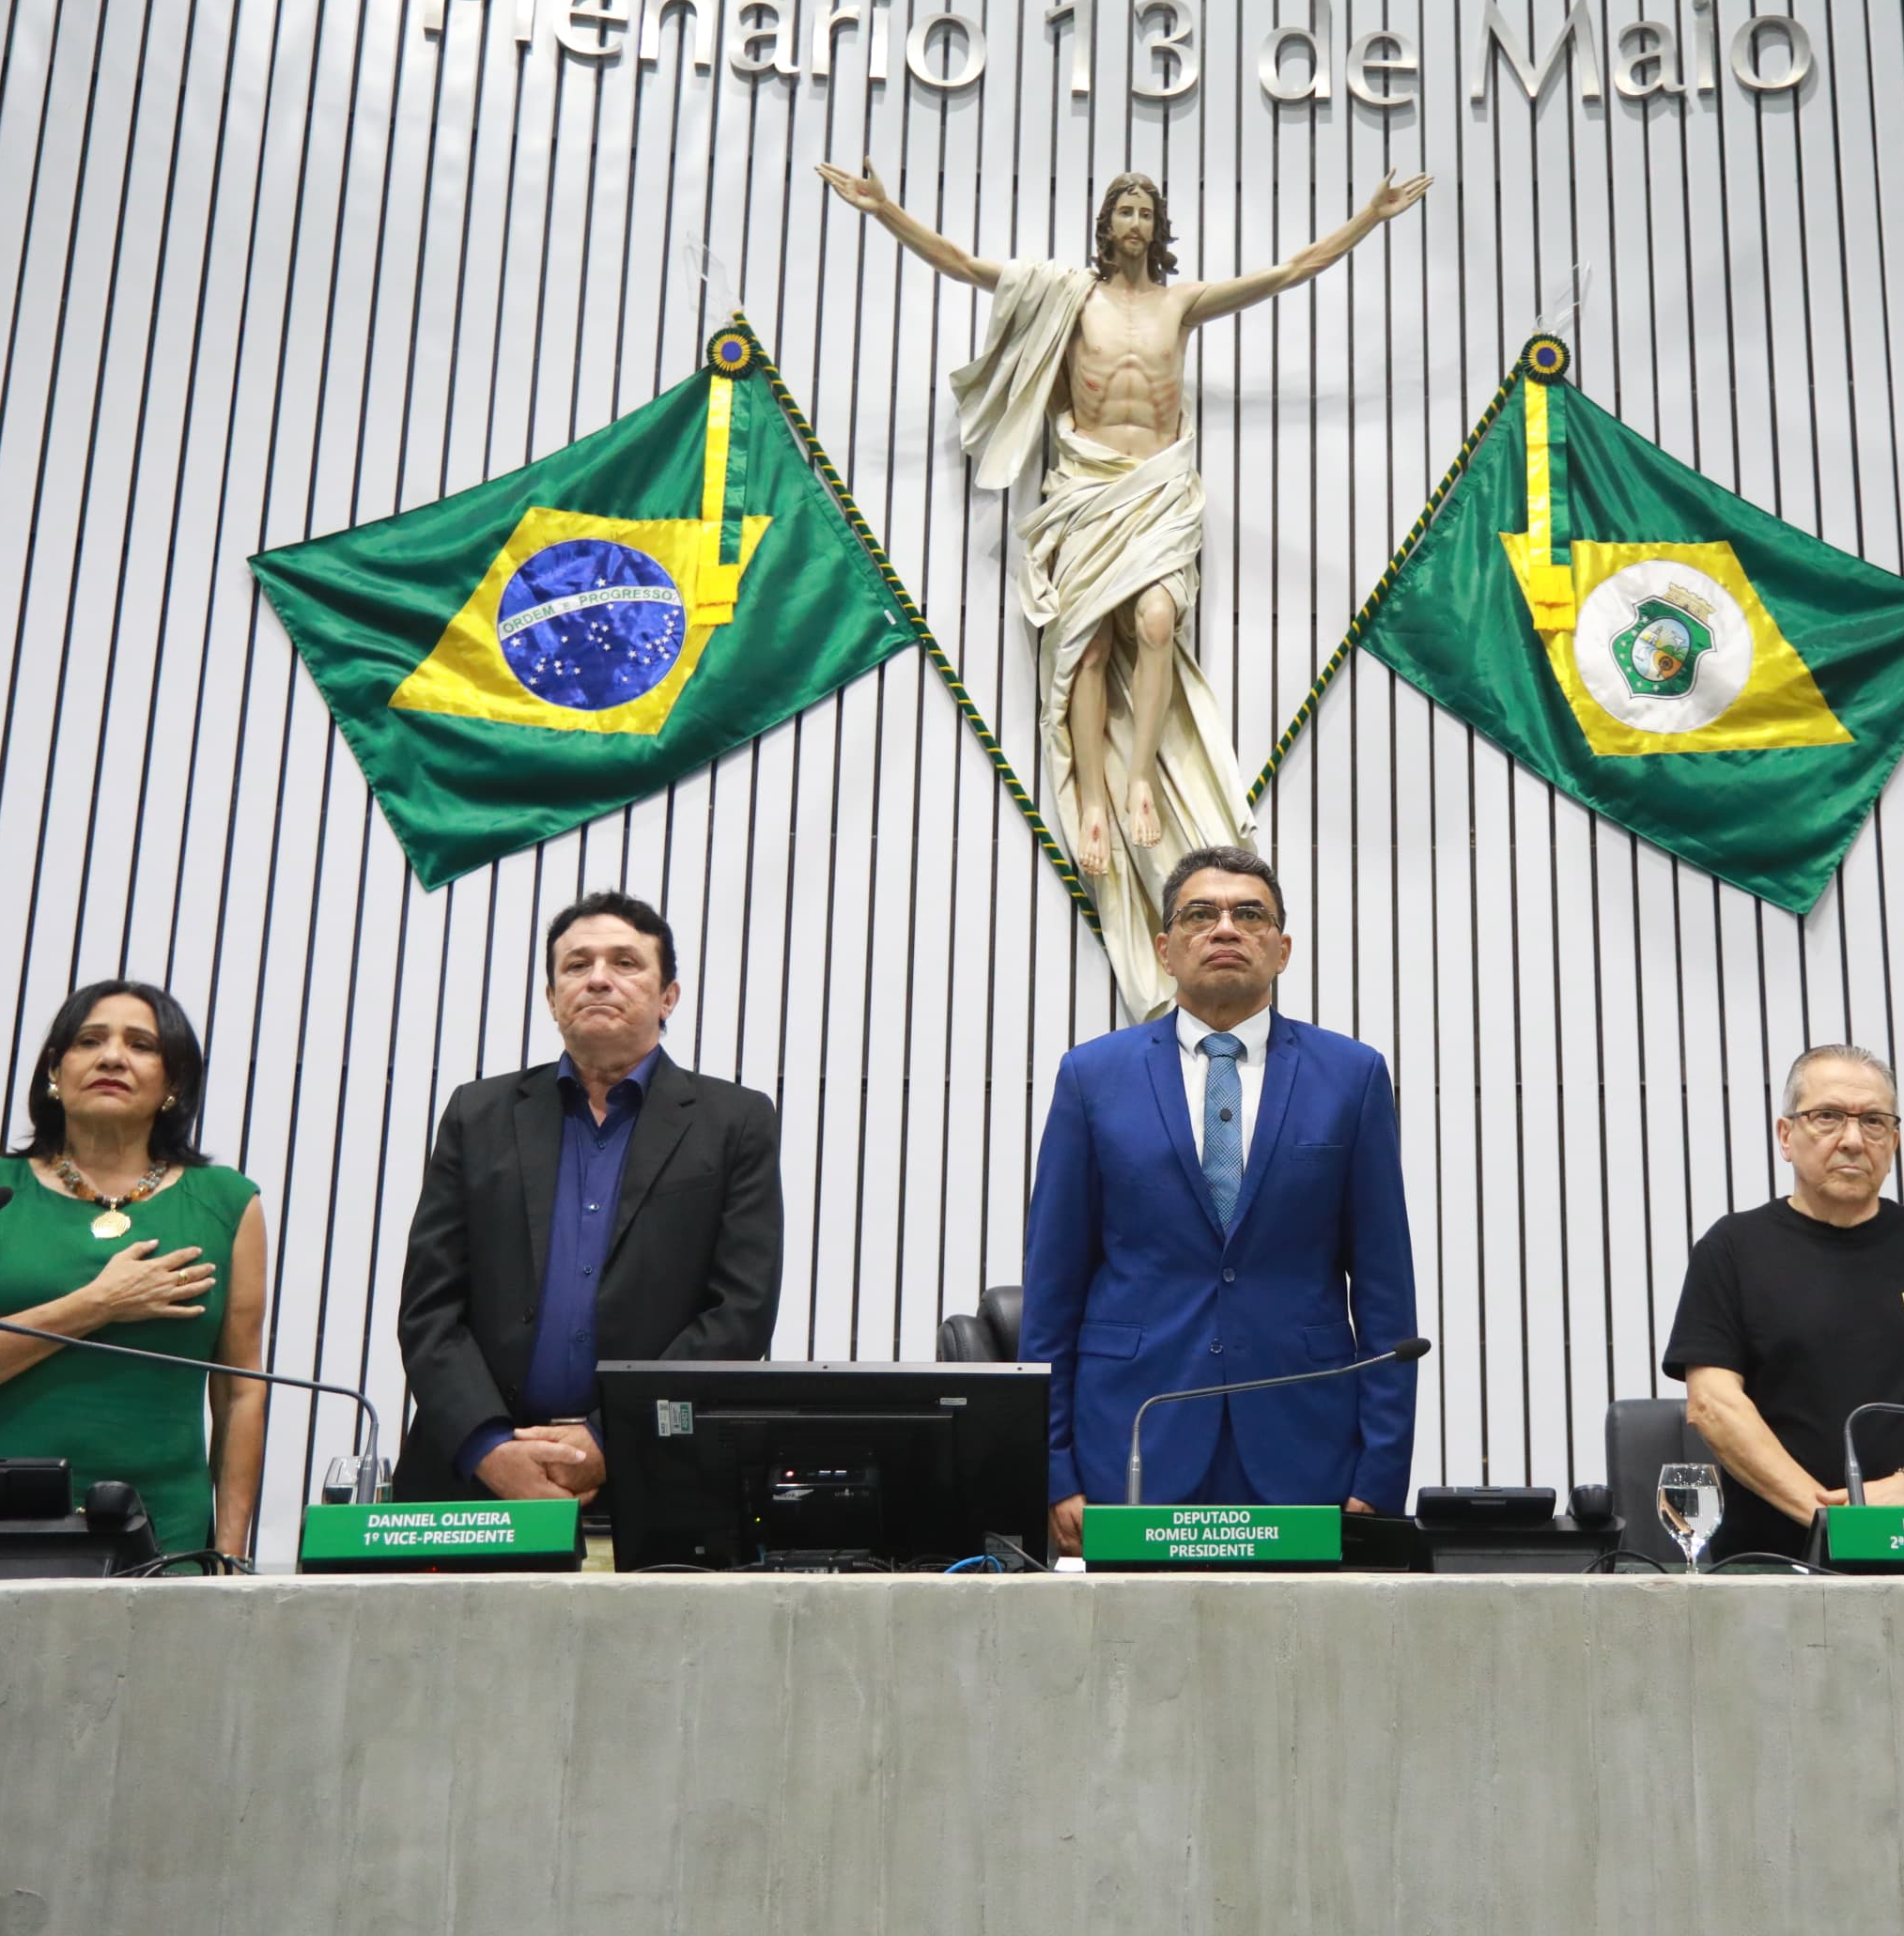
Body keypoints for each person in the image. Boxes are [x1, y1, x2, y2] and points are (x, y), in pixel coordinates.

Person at [815, 159, 1429, 1014]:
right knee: (1087, 645)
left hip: (1161, 487)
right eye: (1124, 209)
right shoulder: (1067, 295)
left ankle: (1139, 777)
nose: (1135, 221)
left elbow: (1292, 272)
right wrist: (885, 210)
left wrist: (1370, 215)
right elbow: (959, 263)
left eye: (1146, 209)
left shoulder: (1181, 304)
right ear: (1105, 224)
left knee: (1157, 621)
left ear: (1157, 224)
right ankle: (1095, 797)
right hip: (1088, 489)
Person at [1020, 845, 1419, 1554]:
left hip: (1305, 1448)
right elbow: (1054, 1291)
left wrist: (1380, 1475)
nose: (1226, 929)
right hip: (1135, 1436)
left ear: (1283, 948)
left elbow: (1387, 1296)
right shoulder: (1092, 1078)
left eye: (1250, 915)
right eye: (1201, 914)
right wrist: (1053, 1470)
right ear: (1165, 949)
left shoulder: (1352, 1078)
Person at [393, 891, 784, 1503]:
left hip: (657, 1472)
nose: (599, 979)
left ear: (668, 997)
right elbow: (430, 1308)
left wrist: (613, 1438)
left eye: (625, 963)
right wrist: (491, 1449)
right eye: (576, 965)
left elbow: (739, 1311)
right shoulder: (479, 1115)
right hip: (473, 1480)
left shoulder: (735, 1122)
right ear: (552, 999)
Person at [0, 981, 270, 1556]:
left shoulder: (226, 1203)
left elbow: (240, 1392)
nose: (113, 1057)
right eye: (89, 1040)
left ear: (173, 1084)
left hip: (159, 1531)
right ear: (54, 1071)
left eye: (141, 1045)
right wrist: (99, 1304)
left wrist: (229, 1552)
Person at [1663, 1045, 1904, 1565]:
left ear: (1894, 1141)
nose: (1853, 1139)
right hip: (1774, 1555)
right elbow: (1713, 1404)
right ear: (1786, 1137)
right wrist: (1832, 1517)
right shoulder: (1733, 1248)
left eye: (1874, 1122)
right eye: (1827, 1117)